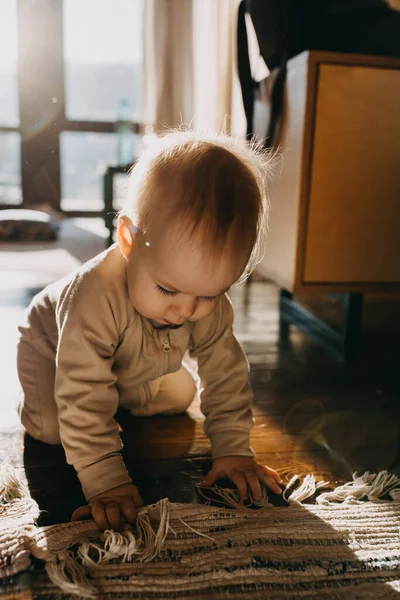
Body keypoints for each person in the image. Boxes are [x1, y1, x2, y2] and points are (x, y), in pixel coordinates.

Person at [17, 130, 282, 532]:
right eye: (168, 289)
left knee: (182, 393)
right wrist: (106, 481)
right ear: (127, 239)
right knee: (54, 429)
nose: (188, 310)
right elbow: (83, 389)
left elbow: (226, 374)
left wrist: (233, 450)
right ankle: (75, 406)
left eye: (210, 294)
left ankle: (118, 396)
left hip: (128, 358)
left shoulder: (197, 300)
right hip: (52, 352)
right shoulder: (94, 295)